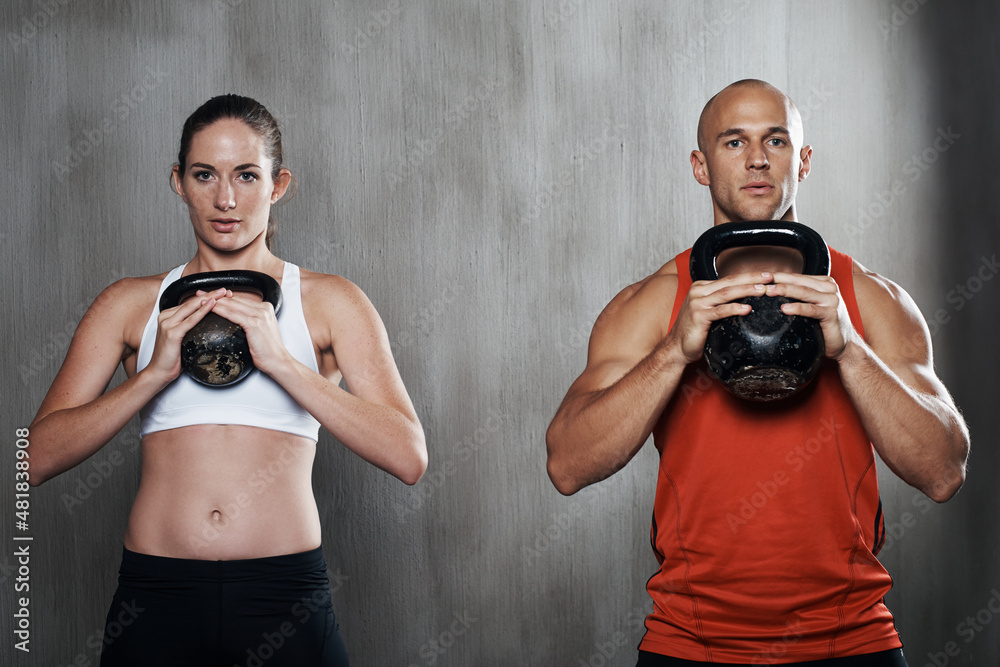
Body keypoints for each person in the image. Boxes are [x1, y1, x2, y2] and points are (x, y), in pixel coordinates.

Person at [546, 79, 969, 666]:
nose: (757, 159)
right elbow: (567, 465)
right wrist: (674, 351)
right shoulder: (652, 305)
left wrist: (850, 352)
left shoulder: (871, 301)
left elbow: (944, 472)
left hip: (850, 642)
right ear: (700, 165)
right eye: (732, 142)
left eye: (776, 140)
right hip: (692, 645)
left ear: (804, 160)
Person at [28, 94, 427, 666]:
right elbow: (32, 460)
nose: (225, 199)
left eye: (246, 175)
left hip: (284, 598)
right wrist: (150, 376)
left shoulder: (329, 301)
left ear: (278, 184)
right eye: (203, 175)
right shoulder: (129, 304)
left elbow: (409, 457)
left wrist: (283, 364)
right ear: (178, 182)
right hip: (156, 597)